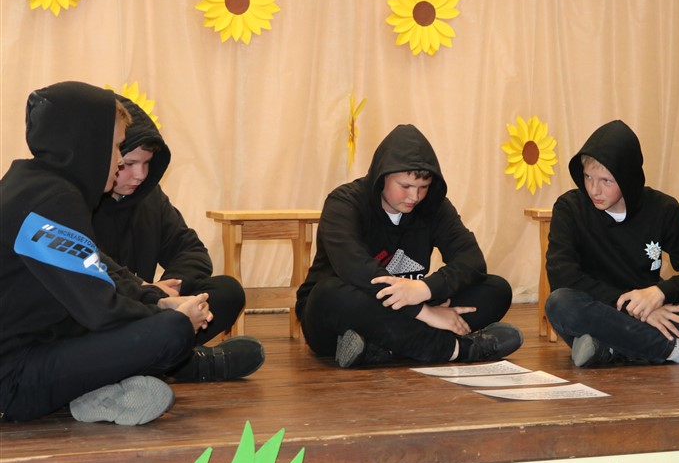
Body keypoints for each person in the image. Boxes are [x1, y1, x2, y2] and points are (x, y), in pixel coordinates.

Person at [0, 82, 214, 425]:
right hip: (13, 379)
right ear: (87, 143)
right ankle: (92, 391)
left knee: (170, 319)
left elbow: (99, 270)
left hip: (37, 347)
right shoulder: (52, 200)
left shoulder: (35, 186)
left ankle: (97, 391)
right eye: (115, 147)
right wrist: (168, 318)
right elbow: (100, 310)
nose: (117, 160)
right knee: (172, 332)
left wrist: (159, 302)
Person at [296, 124, 523, 367]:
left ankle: (381, 349)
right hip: (347, 311)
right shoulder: (344, 203)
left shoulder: (434, 207)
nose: (414, 197)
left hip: (397, 313)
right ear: (382, 176)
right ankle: (458, 349)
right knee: (328, 294)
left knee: (495, 289)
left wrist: (424, 289)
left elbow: (472, 261)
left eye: (423, 187)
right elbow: (356, 270)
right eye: (405, 186)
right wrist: (424, 312)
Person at [544, 119, 679, 368]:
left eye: (606, 181)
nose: (594, 190)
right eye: (588, 177)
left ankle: (612, 349)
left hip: (639, 314)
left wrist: (660, 293)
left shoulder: (663, 209)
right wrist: (634, 309)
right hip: (603, 310)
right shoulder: (570, 208)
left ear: (627, 178)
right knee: (560, 304)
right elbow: (563, 276)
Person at [92, 95, 263, 383]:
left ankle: (160, 360)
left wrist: (172, 290)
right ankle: (187, 364)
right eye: (129, 164)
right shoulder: (80, 203)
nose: (140, 175)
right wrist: (147, 291)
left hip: (153, 309)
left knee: (227, 290)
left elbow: (191, 250)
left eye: (147, 163)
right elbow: (89, 276)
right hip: (111, 310)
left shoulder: (150, 198)